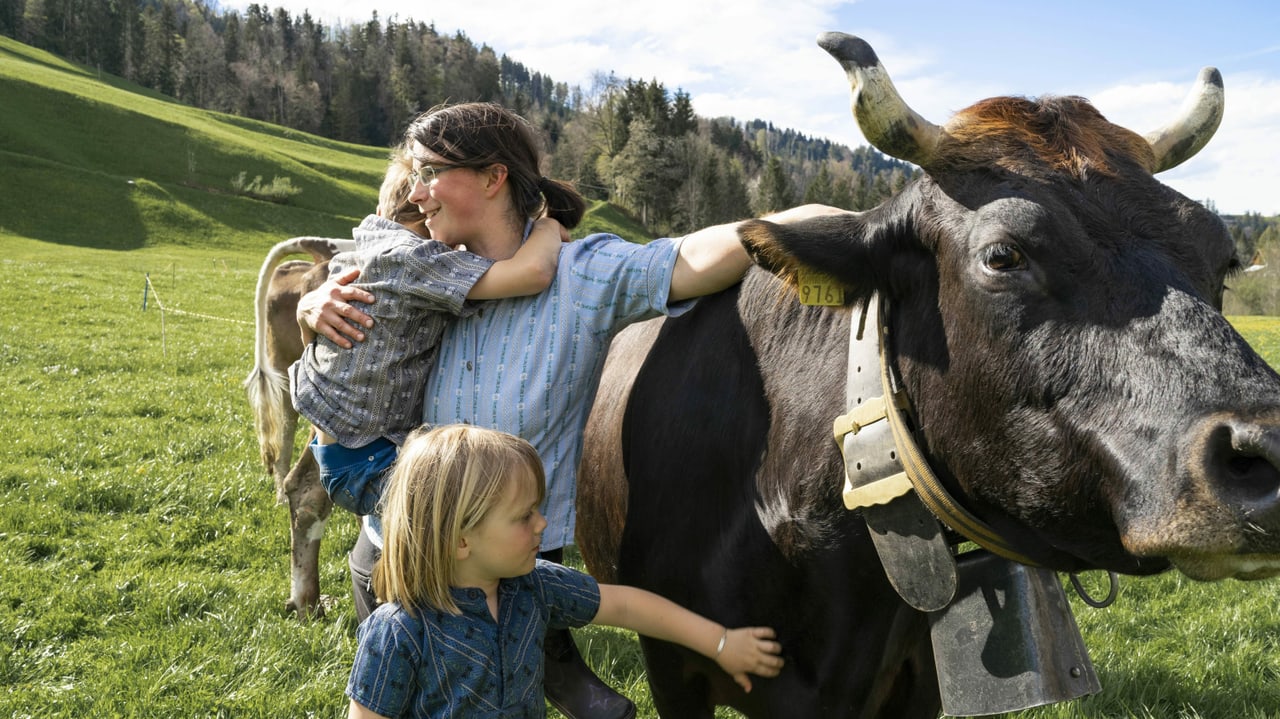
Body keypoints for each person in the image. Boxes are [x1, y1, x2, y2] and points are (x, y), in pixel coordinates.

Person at [299, 101, 839, 719]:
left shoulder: (582, 277)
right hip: (393, 553)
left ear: (492, 177)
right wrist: (309, 309)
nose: (415, 193)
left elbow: (683, 259)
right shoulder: (429, 266)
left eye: (429, 173)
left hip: (510, 571)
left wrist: (805, 223)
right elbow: (353, 312)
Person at [345, 424, 785, 719]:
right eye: (524, 516)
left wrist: (721, 642)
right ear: (461, 540)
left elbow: (627, 605)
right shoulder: (400, 633)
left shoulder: (533, 588)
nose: (542, 524)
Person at [289, 145, 569, 516]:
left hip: (340, 449)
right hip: (372, 462)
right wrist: (548, 228)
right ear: (432, 223)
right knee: (485, 515)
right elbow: (532, 274)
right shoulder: (415, 260)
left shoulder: (366, 251)